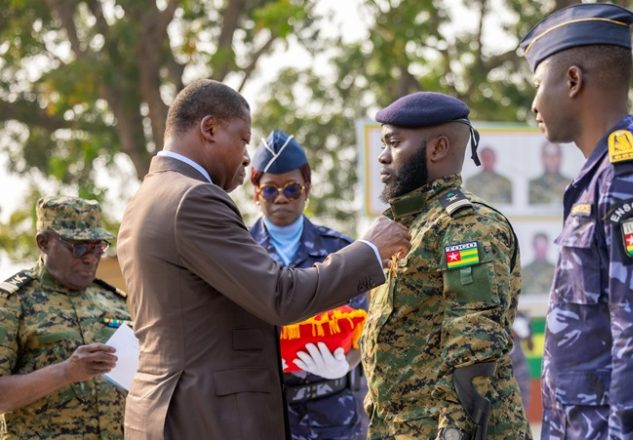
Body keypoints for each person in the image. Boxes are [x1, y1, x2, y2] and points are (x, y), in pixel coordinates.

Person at [116, 79, 410, 440]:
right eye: (242, 139)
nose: (244, 155)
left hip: (175, 410)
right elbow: (280, 296)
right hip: (205, 418)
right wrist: (370, 251)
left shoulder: (149, 194)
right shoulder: (193, 199)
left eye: (292, 189)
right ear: (209, 128)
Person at [520, 3, 633, 438]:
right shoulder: (604, 175)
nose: (533, 104)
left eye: (537, 85)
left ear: (572, 81)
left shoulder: (629, 178)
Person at [362, 91, 531, 439]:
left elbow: (474, 341)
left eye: (393, 143)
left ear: (437, 148)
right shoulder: (409, 225)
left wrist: (453, 430)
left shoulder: (466, 226)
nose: (382, 157)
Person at [248, 129, 367, 440]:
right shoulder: (239, 251)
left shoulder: (341, 251)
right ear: (255, 193)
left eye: (292, 188)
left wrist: (345, 363)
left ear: (308, 188)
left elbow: (365, 330)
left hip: (330, 413)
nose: (282, 197)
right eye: (270, 190)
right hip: (261, 414)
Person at [0, 196, 130, 439]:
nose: (90, 258)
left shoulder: (115, 301)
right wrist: (66, 372)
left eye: (97, 247)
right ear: (44, 242)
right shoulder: (11, 302)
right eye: (78, 247)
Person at [527, 141, 571, 205]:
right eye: (548, 155)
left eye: (555, 155)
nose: (552, 159)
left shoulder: (570, 184)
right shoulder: (531, 185)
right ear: (542, 158)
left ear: (561, 157)